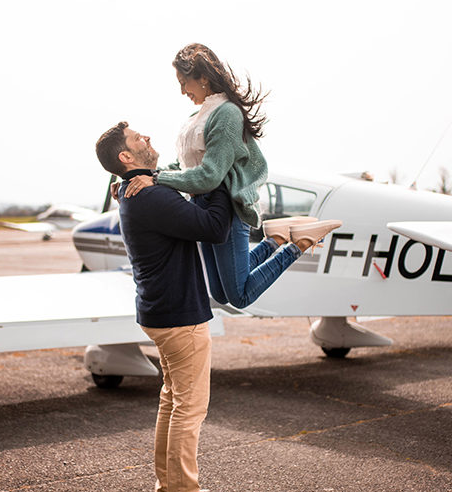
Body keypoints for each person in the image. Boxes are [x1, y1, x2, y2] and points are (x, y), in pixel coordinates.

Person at [95, 120, 239, 492]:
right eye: (140, 139)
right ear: (126, 157)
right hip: (180, 315)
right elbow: (214, 228)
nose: (149, 140)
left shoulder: (136, 190)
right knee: (189, 410)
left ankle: (168, 489)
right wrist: (223, 178)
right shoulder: (150, 197)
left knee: (172, 402)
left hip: (160, 311)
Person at [122, 43, 342, 308]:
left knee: (240, 296)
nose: (182, 91)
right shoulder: (197, 116)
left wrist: (155, 180)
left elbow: (209, 176)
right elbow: (183, 166)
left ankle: (299, 244)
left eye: (184, 83)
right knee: (221, 293)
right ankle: (276, 238)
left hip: (226, 208)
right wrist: (135, 177)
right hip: (202, 207)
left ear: (202, 77)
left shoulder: (226, 114)